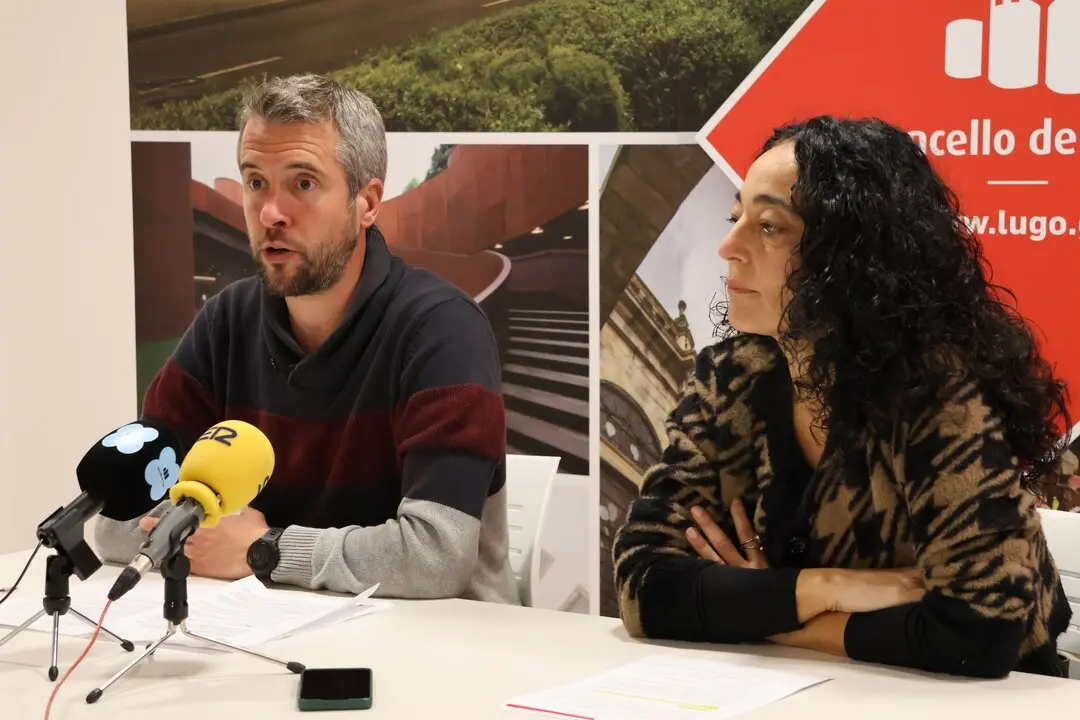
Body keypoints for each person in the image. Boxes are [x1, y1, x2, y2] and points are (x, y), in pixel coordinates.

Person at [611, 115, 1072, 678]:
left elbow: (976, 634)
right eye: (737, 217)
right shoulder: (729, 379)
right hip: (807, 691)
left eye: (770, 228)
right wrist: (829, 587)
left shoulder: (937, 394)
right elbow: (642, 585)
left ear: (850, 258)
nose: (728, 246)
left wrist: (760, 607)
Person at [95, 73, 520, 605]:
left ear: (367, 203)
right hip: (269, 633)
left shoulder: (442, 330)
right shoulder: (225, 323)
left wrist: (262, 550)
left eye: (302, 184)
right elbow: (112, 520)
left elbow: (435, 559)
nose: (270, 213)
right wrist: (204, 537)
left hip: (444, 648)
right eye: (255, 182)